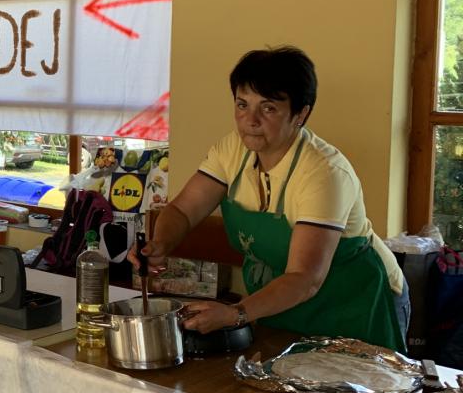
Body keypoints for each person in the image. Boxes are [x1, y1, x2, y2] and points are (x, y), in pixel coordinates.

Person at [140, 47, 408, 351]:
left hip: (356, 303)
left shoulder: (324, 172)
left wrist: (235, 314)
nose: (250, 120)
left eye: (268, 108)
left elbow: (305, 278)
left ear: (300, 114)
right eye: (242, 105)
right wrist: (160, 243)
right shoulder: (232, 150)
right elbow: (183, 210)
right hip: (284, 302)